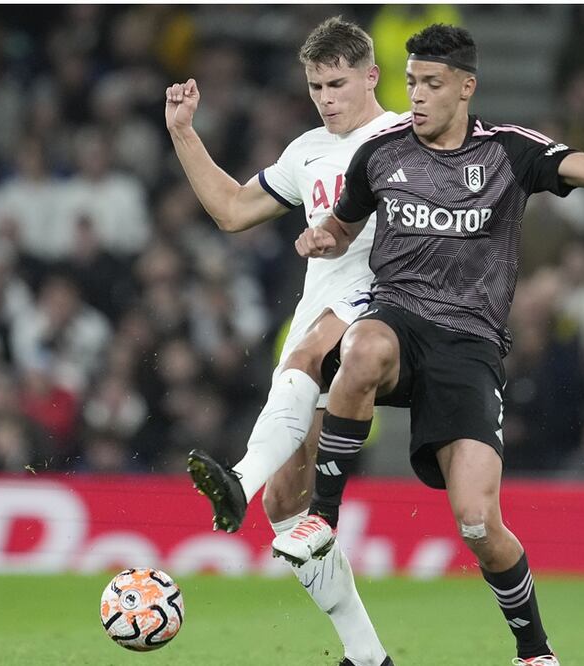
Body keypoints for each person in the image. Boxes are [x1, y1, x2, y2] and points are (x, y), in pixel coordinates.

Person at [274, 24, 584, 666]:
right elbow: (342, 226)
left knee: (479, 523)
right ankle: (323, 516)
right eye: (412, 83)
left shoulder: (509, 152)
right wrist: (322, 237)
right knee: (362, 346)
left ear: (466, 87)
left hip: (471, 348)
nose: (419, 96)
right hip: (399, 321)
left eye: (432, 84)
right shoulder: (379, 155)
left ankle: (535, 651)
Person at [165, 16, 402, 666]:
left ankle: (237, 476)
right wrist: (185, 136)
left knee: (303, 356)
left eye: (336, 82)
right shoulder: (306, 151)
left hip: (385, 301)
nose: (326, 97)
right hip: (318, 304)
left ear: (370, 76)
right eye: (315, 85)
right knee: (286, 504)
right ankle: (368, 656)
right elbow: (234, 211)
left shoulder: (404, 137)